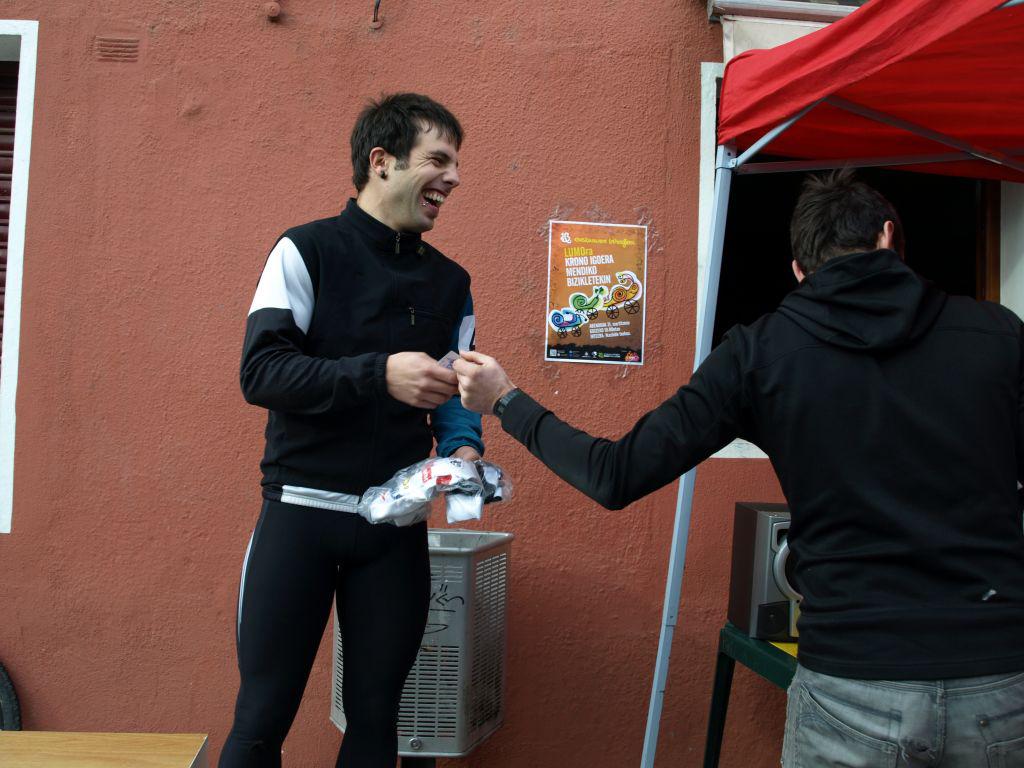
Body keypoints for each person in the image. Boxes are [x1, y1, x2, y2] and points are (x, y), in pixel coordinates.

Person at [454, 170, 1024, 766]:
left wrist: (506, 401)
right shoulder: (1000, 333)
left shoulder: (759, 353)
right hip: (1000, 680)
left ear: (799, 270)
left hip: (852, 684)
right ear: (887, 237)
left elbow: (614, 474)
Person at [222, 93, 484, 768]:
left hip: (393, 532)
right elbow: (262, 372)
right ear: (382, 161)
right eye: (439, 160)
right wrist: (379, 374)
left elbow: (455, 393)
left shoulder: (452, 283)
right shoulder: (305, 250)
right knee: (261, 719)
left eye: (456, 164)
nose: (454, 178)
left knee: (376, 722)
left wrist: (463, 447)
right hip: (299, 519)